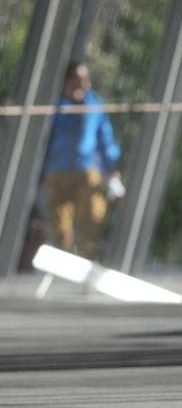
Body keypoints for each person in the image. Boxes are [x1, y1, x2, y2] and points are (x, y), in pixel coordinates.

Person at [43, 61, 123, 260]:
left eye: (85, 80)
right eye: (77, 80)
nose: (82, 84)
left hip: (87, 170)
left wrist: (111, 168)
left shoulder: (94, 105)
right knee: (60, 225)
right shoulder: (54, 105)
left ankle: (86, 259)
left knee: (91, 217)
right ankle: (63, 261)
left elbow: (105, 138)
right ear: (66, 81)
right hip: (57, 171)